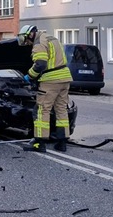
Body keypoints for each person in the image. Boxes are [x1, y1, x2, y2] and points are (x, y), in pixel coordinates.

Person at [17, 25, 73, 153]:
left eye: (27, 40)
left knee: (42, 110)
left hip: (50, 80)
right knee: (61, 110)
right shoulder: (51, 38)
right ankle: (62, 142)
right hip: (64, 78)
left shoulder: (39, 43)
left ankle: (39, 143)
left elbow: (40, 64)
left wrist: (29, 76)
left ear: (30, 34)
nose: (28, 44)